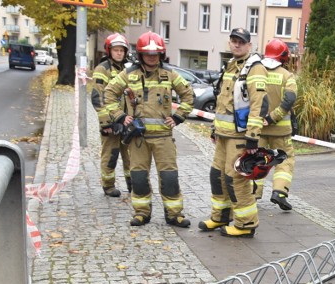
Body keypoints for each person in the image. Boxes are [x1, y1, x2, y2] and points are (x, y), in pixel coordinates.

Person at [103, 31, 194, 227]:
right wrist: (119, 116)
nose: (152, 57)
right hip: (139, 138)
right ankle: (142, 213)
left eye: (155, 54)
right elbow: (109, 93)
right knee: (138, 177)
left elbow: (188, 95)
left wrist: (178, 117)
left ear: (161, 54)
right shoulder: (129, 74)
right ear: (140, 54)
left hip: (163, 138)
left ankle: (174, 214)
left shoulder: (169, 74)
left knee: (169, 178)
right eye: (148, 54)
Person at [198, 28, 268, 238]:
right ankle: (220, 216)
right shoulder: (230, 66)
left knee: (235, 179)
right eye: (234, 41)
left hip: (240, 137)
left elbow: (259, 104)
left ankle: (246, 224)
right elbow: (222, 102)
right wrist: (215, 128)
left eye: (241, 42)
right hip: (223, 135)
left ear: (249, 45)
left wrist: (252, 137)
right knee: (217, 176)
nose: (237, 45)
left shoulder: (254, 69)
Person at [254, 38, 297, 211]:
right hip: (281, 131)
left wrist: (262, 118)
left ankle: (253, 193)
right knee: (285, 161)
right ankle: (279, 193)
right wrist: (273, 117)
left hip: (258, 128)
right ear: (283, 56)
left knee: (257, 159)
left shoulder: (256, 72)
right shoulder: (287, 76)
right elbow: (290, 99)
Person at [91, 33, 132, 198]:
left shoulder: (126, 69)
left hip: (126, 120)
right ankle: (108, 186)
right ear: (109, 51)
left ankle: (133, 185)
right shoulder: (103, 69)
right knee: (111, 154)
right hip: (111, 121)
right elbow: (97, 97)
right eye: (116, 50)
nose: (119, 53)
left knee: (130, 156)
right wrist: (106, 123)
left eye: (122, 50)